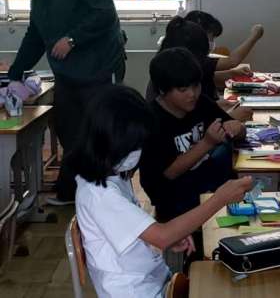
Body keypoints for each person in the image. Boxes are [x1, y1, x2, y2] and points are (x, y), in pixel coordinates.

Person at [72, 84, 252, 298]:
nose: (138, 152)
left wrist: (173, 234)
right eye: (133, 146)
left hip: (151, 279)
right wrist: (219, 199)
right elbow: (162, 237)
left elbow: (136, 228)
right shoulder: (99, 194)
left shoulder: (111, 174)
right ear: (109, 141)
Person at [8, 0, 126, 205]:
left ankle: (109, 198)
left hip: (99, 69)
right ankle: (73, 192)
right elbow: (36, 35)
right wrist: (14, 73)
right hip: (67, 75)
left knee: (99, 133)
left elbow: (104, 14)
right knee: (68, 130)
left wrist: (73, 39)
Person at [140, 47, 246, 222]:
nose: (192, 94)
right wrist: (207, 143)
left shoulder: (201, 103)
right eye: (183, 89)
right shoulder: (151, 121)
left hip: (206, 187)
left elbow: (236, 130)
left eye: (196, 85)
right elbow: (169, 173)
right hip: (174, 201)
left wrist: (238, 129)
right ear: (162, 90)